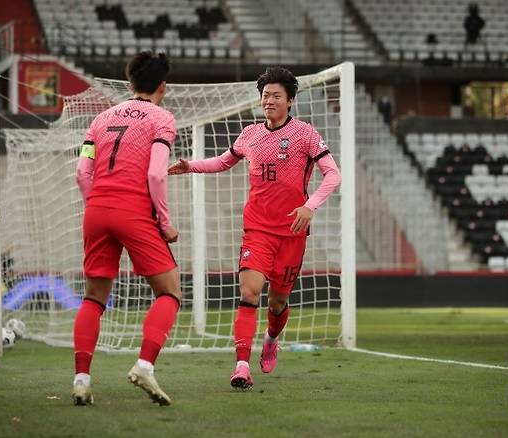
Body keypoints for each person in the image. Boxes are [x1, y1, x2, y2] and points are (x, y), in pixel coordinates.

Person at [169, 66, 341, 390]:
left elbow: (333, 174)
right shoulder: (249, 134)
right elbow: (223, 161)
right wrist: (190, 165)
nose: (269, 100)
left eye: (276, 95)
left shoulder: (305, 134)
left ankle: (272, 339)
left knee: (277, 303)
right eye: (265, 95)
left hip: (292, 233)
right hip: (257, 229)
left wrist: (310, 205)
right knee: (249, 292)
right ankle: (242, 366)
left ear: (290, 101)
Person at [73, 51, 180, 406]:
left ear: (130, 83)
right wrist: (164, 222)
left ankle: (82, 380)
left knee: (93, 297)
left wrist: (98, 204)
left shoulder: (100, 120)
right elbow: (155, 174)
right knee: (169, 292)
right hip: (133, 211)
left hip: (97, 210)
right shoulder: (162, 119)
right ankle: (145, 365)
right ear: (163, 86)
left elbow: (81, 172)